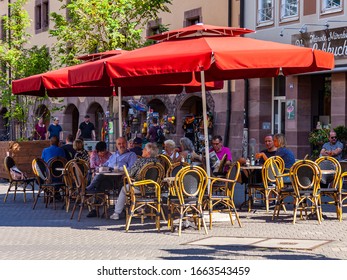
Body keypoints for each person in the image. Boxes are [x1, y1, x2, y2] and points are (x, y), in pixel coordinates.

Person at [86, 137, 137, 217]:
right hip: (109, 178)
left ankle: (89, 188)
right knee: (99, 182)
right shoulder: (114, 155)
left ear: (126, 144)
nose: (121, 145)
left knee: (100, 178)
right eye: (119, 144)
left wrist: (122, 170)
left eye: (123, 143)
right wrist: (100, 168)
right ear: (116, 145)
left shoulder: (131, 155)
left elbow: (132, 168)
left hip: (121, 179)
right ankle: (95, 209)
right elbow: (105, 164)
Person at [110, 142, 159, 220]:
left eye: (144, 149)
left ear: (148, 152)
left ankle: (117, 213)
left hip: (140, 187)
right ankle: (140, 209)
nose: (142, 150)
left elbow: (130, 173)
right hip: (154, 188)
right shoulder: (158, 162)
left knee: (124, 189)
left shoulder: (140, 161)